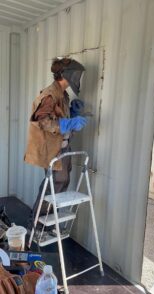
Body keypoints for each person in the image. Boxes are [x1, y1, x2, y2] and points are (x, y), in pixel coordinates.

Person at [24, 57, 87, 230]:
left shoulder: (63, 94)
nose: (77, 78)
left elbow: (58, 117)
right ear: (66, 75)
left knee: (61, 183)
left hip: (63, 147)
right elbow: (42, 121)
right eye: (75, 74)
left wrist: (71, 114)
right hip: (54, 150)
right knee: (53, 185)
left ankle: (47, 223)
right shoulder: (50, 94)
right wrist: (67, 123)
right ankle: (36, 223)